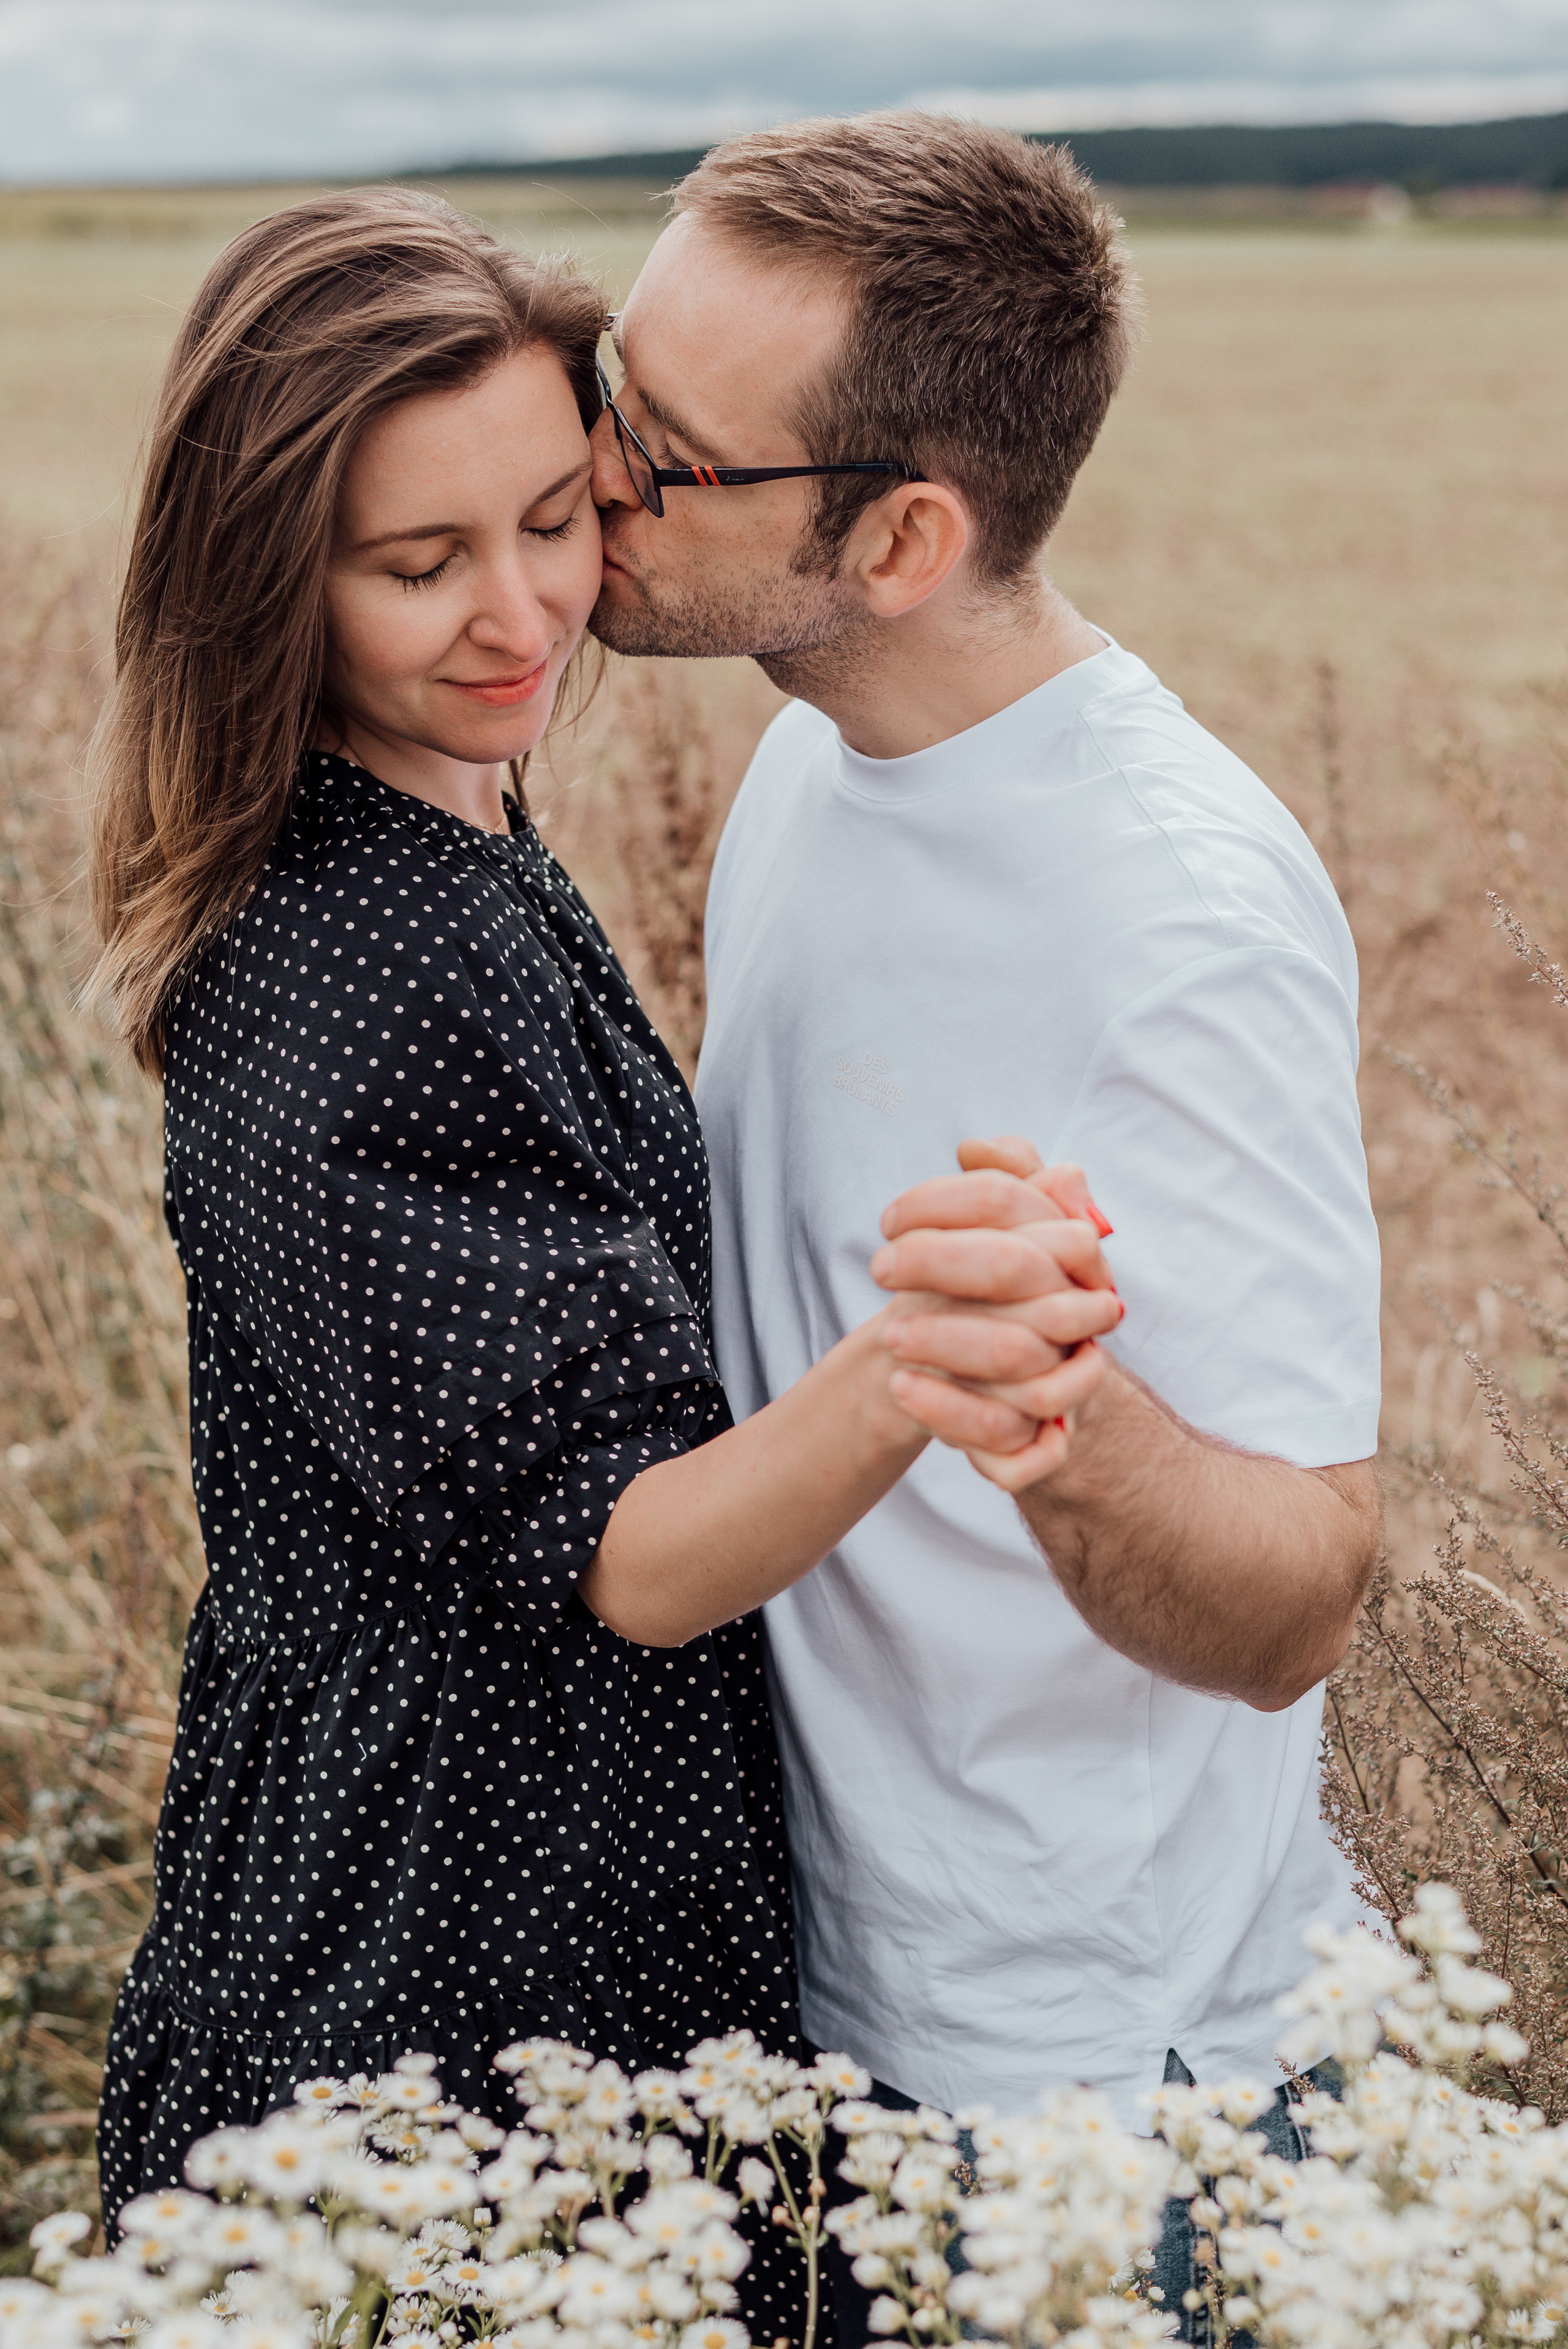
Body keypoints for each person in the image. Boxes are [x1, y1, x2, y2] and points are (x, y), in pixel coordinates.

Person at [87, 187, 1118, 2320]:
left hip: (514, 1886)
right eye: (416, 563)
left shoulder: (442, 833)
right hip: (468, 1955)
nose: (520, 610)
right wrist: (919, 1346)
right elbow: (631, 1551)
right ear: (269, 576)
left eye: (558, 514)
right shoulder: (367, 965)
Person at [587, 111, 1384, 2336]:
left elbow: (1301, 1594)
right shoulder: (812, 752)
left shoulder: (1178, 912)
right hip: (812, 1998)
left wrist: (1061, 1420)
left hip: (1078, 2103)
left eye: (664, 447)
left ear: (904, 532)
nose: (590, 474)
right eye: (602, 381)